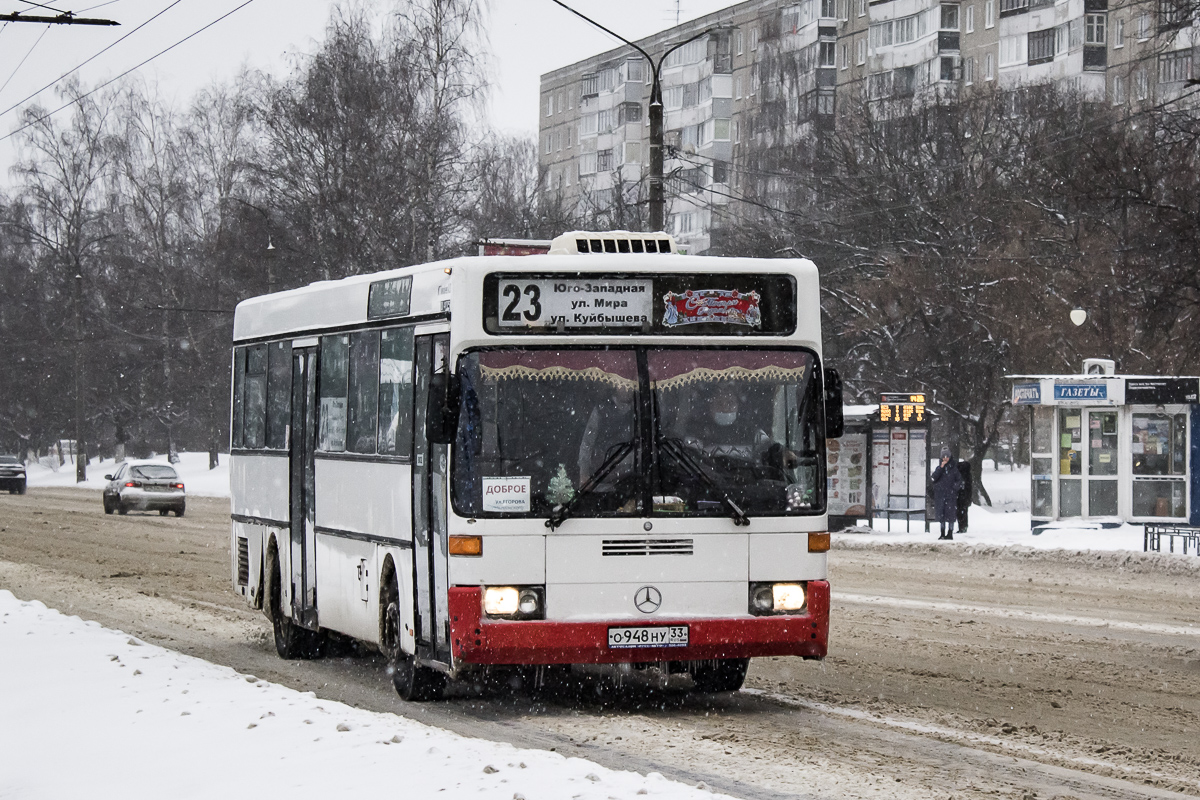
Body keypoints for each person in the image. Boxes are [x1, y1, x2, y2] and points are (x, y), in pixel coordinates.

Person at [931, 446, 963, 540]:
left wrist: (954, 488)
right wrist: (941, 468)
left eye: (947, 456)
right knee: (941, 515)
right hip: (940, 495)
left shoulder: (954, 469)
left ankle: (950, 532)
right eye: (943, 456)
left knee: (950, 515)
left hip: (950, 496)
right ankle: (942, 533)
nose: (945, 458)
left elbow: (959, 481)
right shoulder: (939, 468)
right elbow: (934, 478)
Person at [956, 457, 973, 533]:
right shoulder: (967, 475)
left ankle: (961, 527)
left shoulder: (959, 473)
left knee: (960, 512)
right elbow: (969, 487)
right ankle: (964, 526)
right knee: (964, 511)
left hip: (960, 496)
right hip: (965, 496)